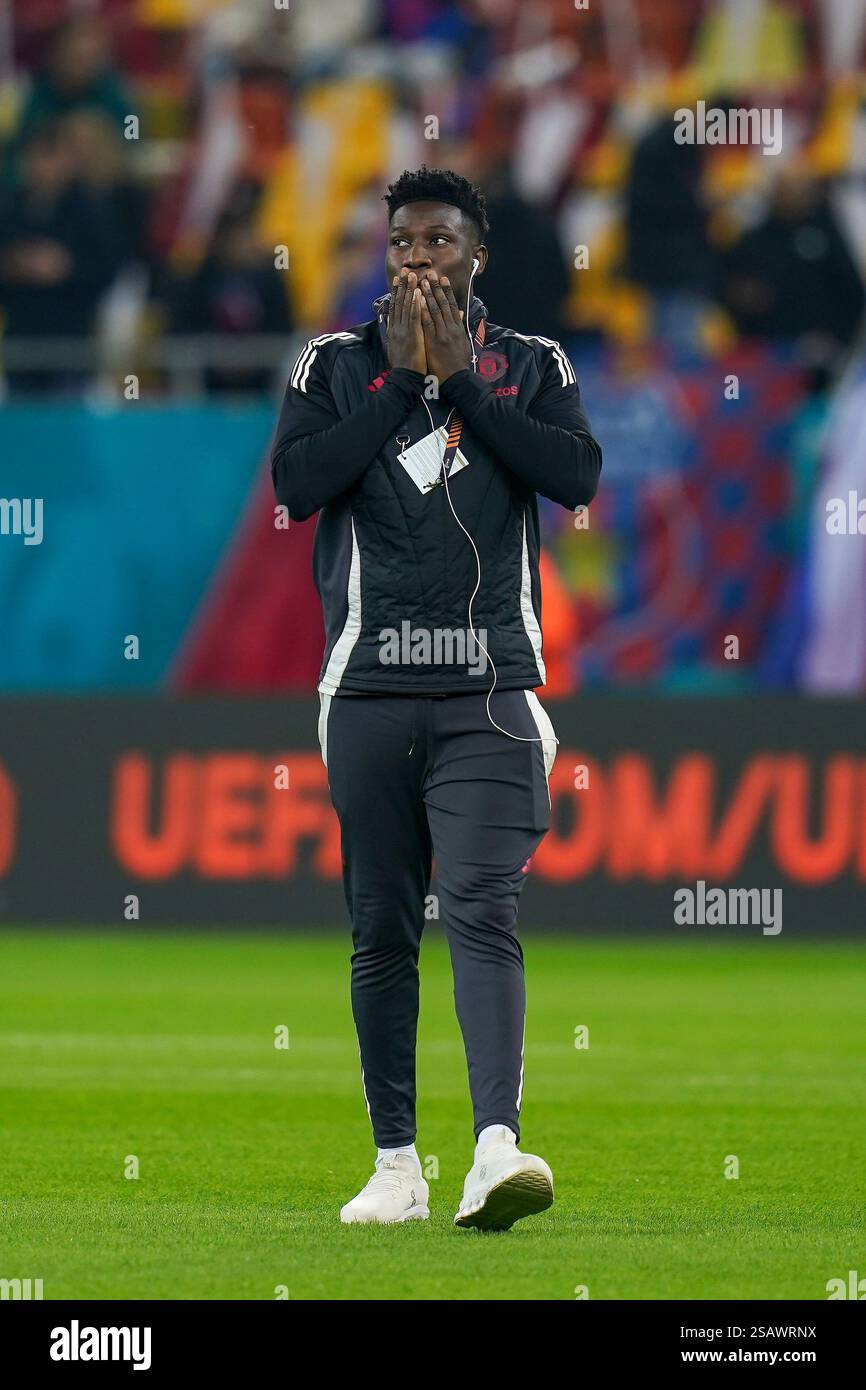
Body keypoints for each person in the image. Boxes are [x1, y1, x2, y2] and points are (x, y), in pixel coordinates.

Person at [271, 166, 602, 1230]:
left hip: (489, 686)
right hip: (366, 685)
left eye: (440, 243)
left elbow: (575, 476)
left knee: (480, 905)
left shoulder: (531, 363)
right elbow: (296, 484)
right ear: (386, 252)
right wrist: (398, 382)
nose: (421, 260)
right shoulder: (333, 363)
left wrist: (463, 384)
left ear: (476, 256)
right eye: (405, 243)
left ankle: (495, 1148)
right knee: (379, 926)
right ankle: (395, 1165)